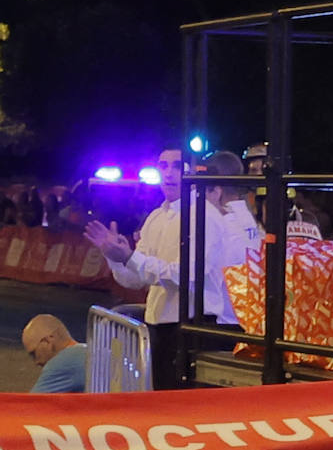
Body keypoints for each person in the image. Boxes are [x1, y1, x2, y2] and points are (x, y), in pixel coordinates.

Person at [83, 147, 239, 390]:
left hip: (195, 327)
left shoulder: (204, 215)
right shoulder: (156, 217)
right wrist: (115, 257)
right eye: (163, 165)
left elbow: (184, 276)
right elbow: (135, 280)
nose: (168, 173)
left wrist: (130, 257)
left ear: (192, 171)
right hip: (160, 327)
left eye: (177, 166)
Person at [21, 314, 88, 393]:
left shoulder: (63, 362)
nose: (36, 362)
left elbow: (33, 402)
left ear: (48, 341)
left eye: (34, 353)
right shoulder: (87, 351)